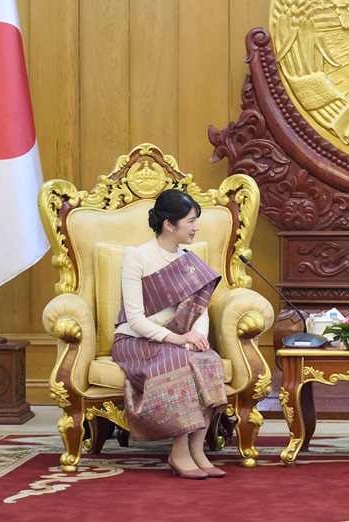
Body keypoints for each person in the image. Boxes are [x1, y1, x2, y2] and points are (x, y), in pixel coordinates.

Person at [111, 188, 228, 480]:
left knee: (209, 360)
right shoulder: (137, 257)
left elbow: (200, 309)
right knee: (178, 361)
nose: (195, 227)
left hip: (181, 339)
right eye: (190, 221)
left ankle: (197, 449)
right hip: (137, 341)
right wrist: (178, 339)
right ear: (169, 224)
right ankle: (179, 452)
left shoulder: (189, 261)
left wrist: (196, 338)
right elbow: (135, 319)